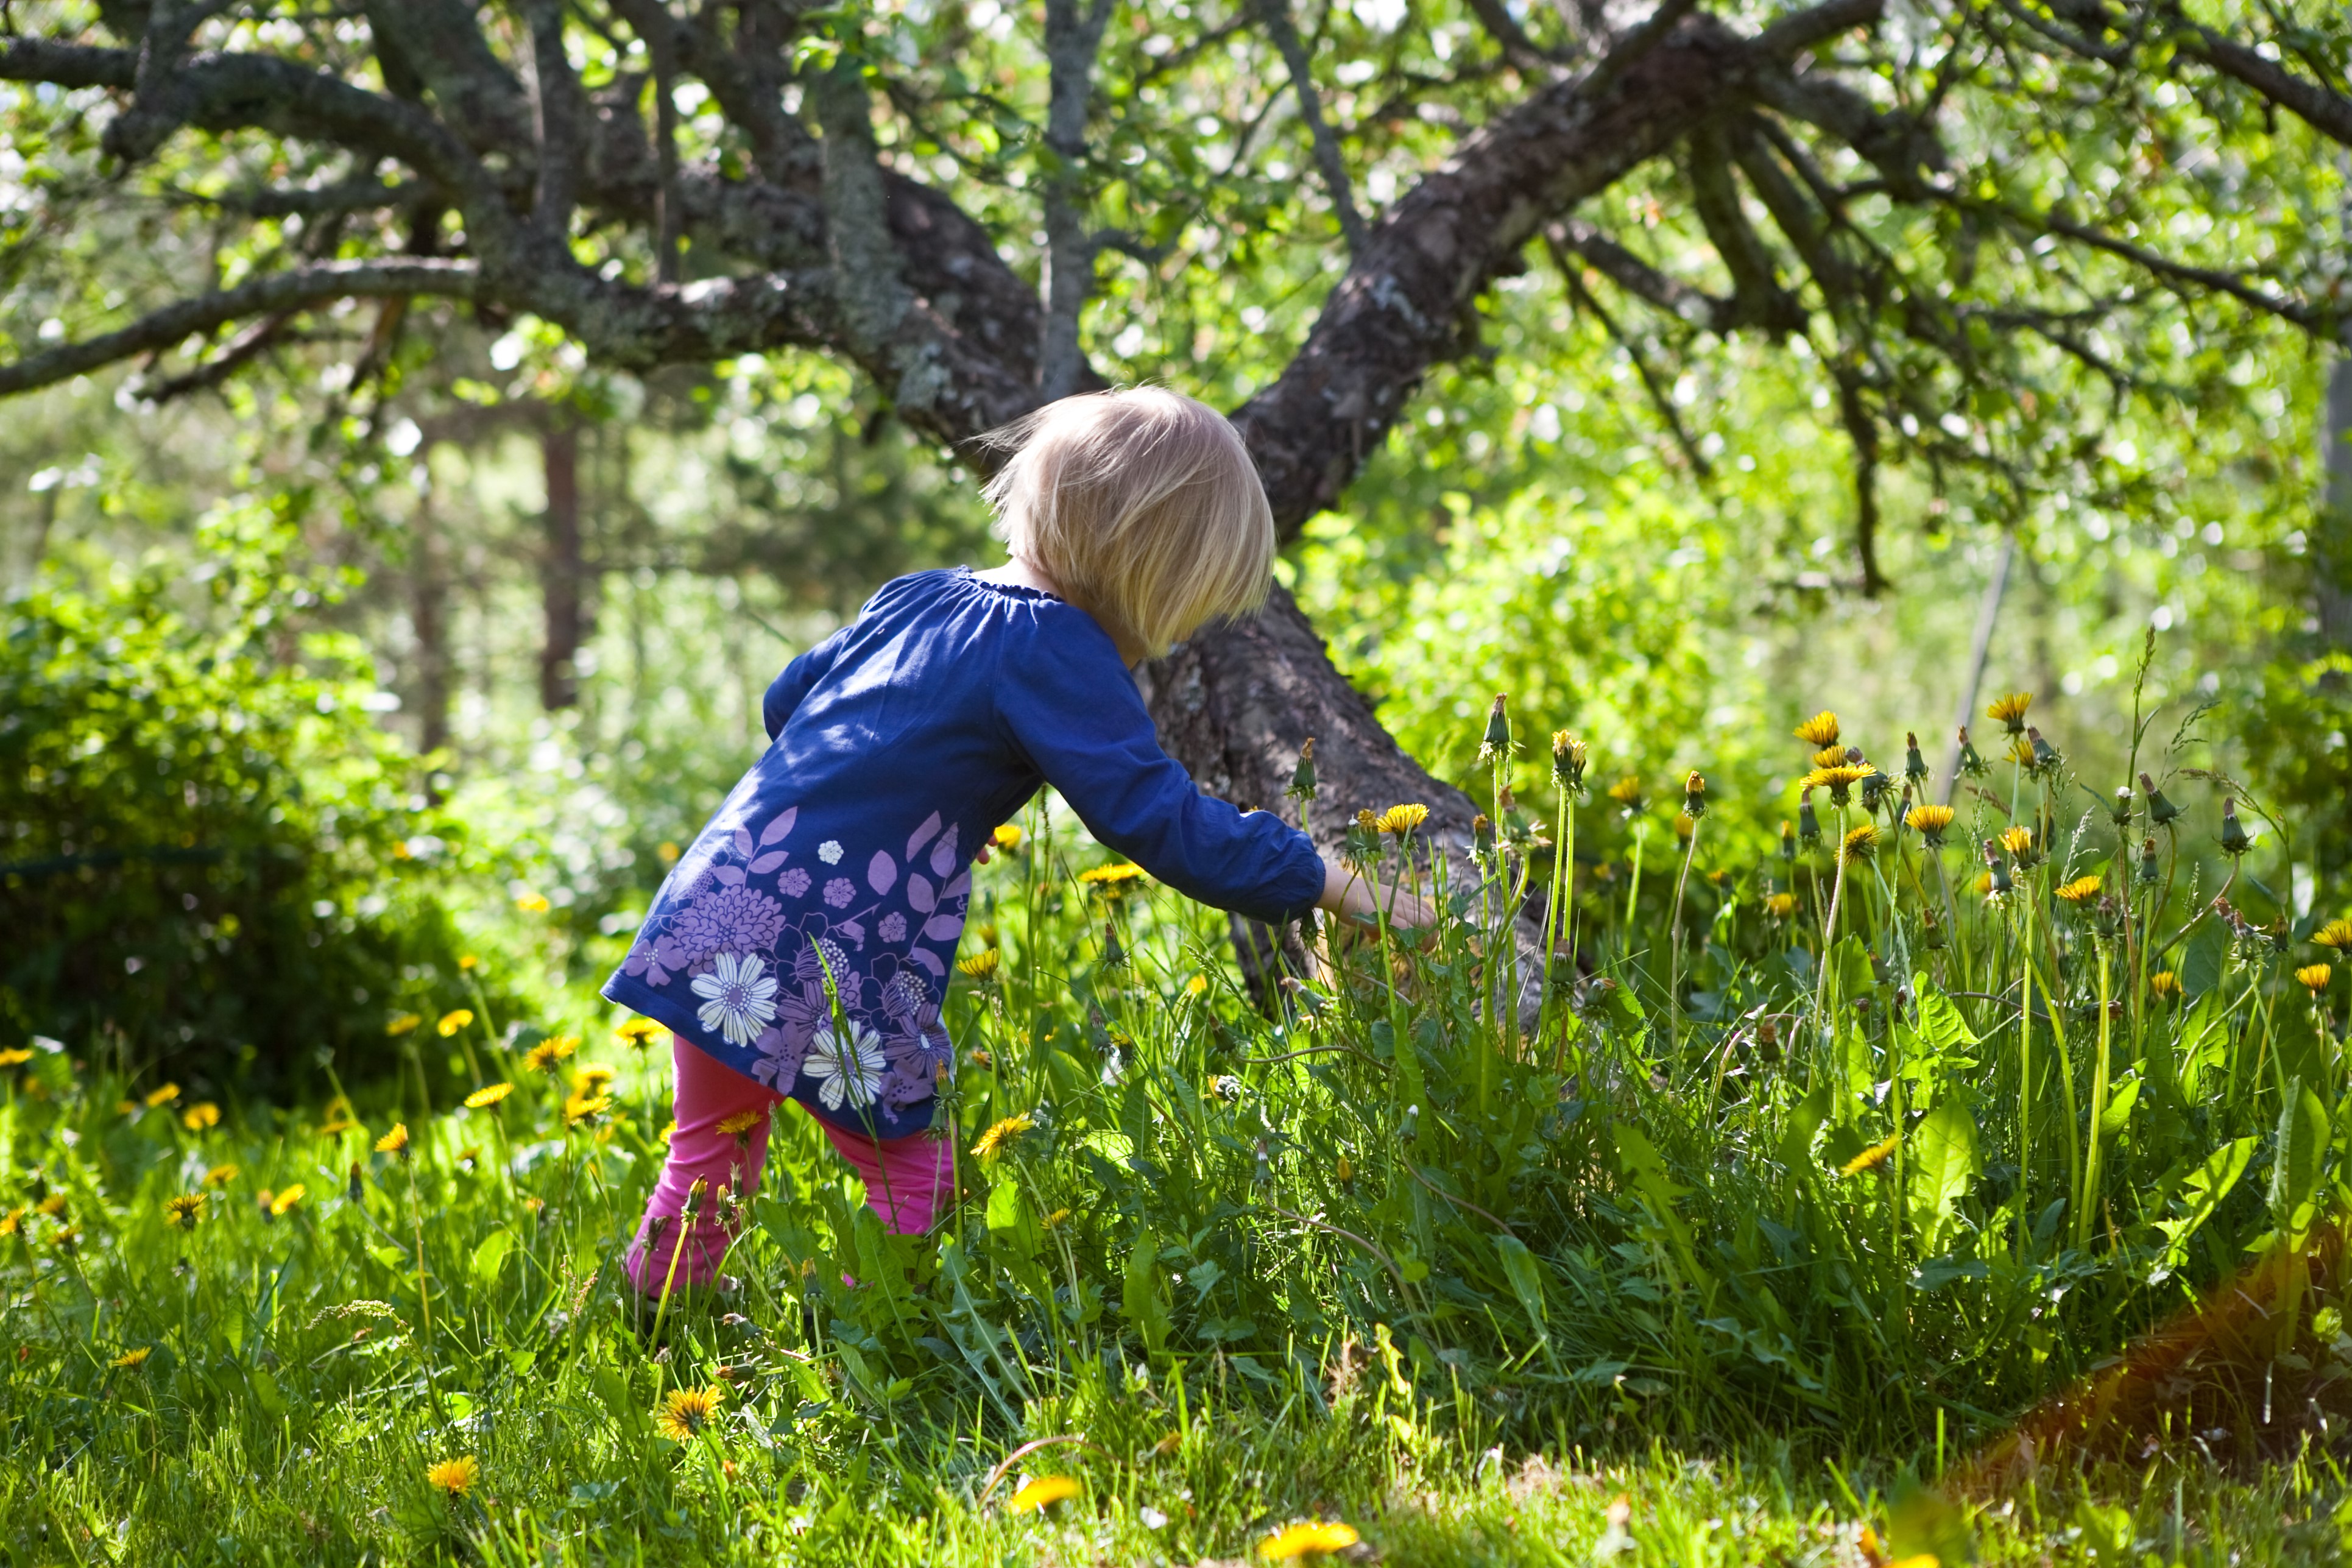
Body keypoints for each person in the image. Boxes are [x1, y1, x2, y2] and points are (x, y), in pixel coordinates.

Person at [605, 386, 1430, 1297]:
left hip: (721, 898)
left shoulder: (917, 596)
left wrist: (904, 799)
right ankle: (867, 1351)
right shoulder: (1054, 647)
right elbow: (1158, 820)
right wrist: (1320, 877)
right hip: (831, 947)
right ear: (1149, 563)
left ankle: (653, 1336)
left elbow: (787, 702)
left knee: (709, 1159)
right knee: (914, 1174)